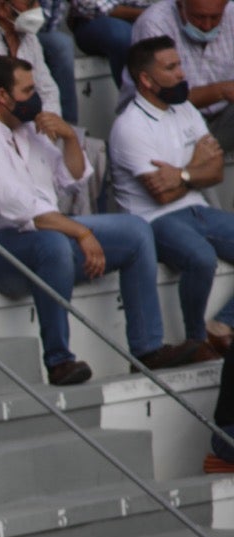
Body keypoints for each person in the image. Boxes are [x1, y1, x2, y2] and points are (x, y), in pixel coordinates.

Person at [0, 56, 202, 385]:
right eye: (28, 90)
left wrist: (69, 138)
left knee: (135, 231)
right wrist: (80, 232)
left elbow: (71, 178)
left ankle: (147, 349)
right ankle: (59, 360)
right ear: (2, 97)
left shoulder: (24, 128)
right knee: (52, 243)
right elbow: (17, 207)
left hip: (30, 240)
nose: (36, 98)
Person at [112, 38, 234, 355]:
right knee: (201, 258)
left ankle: (222, 324)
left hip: (197, 209)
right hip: (154, 220)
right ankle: (195, 340)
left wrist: (180, 174)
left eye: (179, 64)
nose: (182, 73)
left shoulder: (185, 108)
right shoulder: (129, 126)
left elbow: (217, 170)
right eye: (171, 68)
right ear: (146, 80)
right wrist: (196, 166)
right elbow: (161, 197)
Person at [126, 0, 234, 151]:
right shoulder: (154, 22)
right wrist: (221, 91)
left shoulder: (232, 13)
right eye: (198, 17)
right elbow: (161, 98)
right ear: (179, 4)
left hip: (221, 117)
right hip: (166, 119)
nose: (207, 26)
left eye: (215, 17)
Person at [72, 0, 143, 86]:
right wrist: (146, 13)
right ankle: (131, 96)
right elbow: (91, 7)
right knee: (121, 34)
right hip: (94, 20)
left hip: (137, 18)